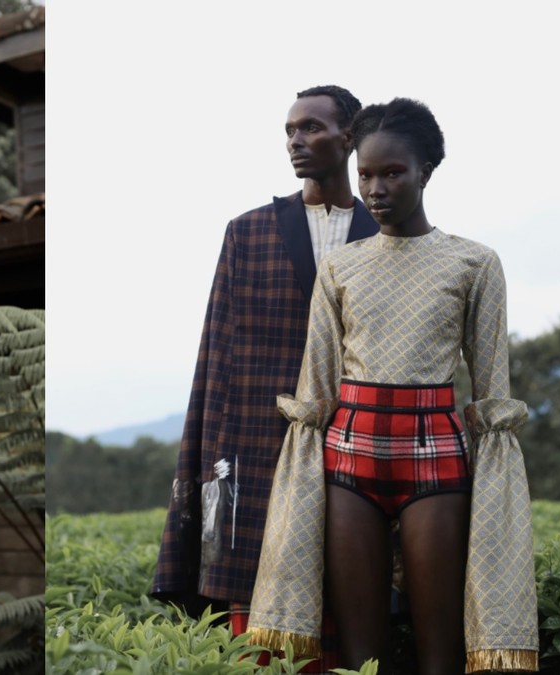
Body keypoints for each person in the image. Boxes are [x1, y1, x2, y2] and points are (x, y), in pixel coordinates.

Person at [245, 98, 538, 674]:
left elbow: (491, 392)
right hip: (347, 460)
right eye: (365, 175)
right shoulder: (340, 268)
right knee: (360, 660)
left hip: (437, 459)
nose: (375, 189)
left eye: (392, 173)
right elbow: (316, 385)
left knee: (440, 654)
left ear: (426, 171)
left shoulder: (474, 264)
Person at [151, 85, 379, 660]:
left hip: (357, 434)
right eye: (290, 130)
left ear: (349, 137)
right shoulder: (248, 231)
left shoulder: (382, 233)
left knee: (350, 593)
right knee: (254, 617)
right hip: (255, 441)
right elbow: (216, 354)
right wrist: (206, 461)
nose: (296, 141)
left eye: (311, 128)